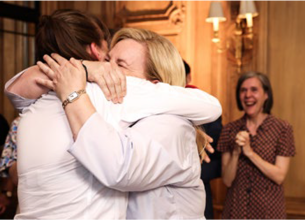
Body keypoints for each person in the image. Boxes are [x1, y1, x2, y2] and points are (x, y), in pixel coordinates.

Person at [5, 9, 221, 219]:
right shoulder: (100, 103)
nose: (106, 71)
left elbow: (119, 169)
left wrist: (75, 88)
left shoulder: (172, 125)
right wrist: (84, 72)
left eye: (119, 65)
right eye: (107, 61)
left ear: (154, 84)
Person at [217, 71, 295, 219]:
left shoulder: (282, 128)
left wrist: (249, 153)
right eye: (243, 90)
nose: (248, 95)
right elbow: (227, 181)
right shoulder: (229, 129)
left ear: (266, 95)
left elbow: (279, 176)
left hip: (269, 213)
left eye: (254, 90)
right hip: (235, 212)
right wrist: (235, 153)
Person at [183, 60, 222, 220]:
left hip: (196, 191)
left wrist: (189, 174)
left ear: (188, 77)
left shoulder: (206, 108)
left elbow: (218, 160)